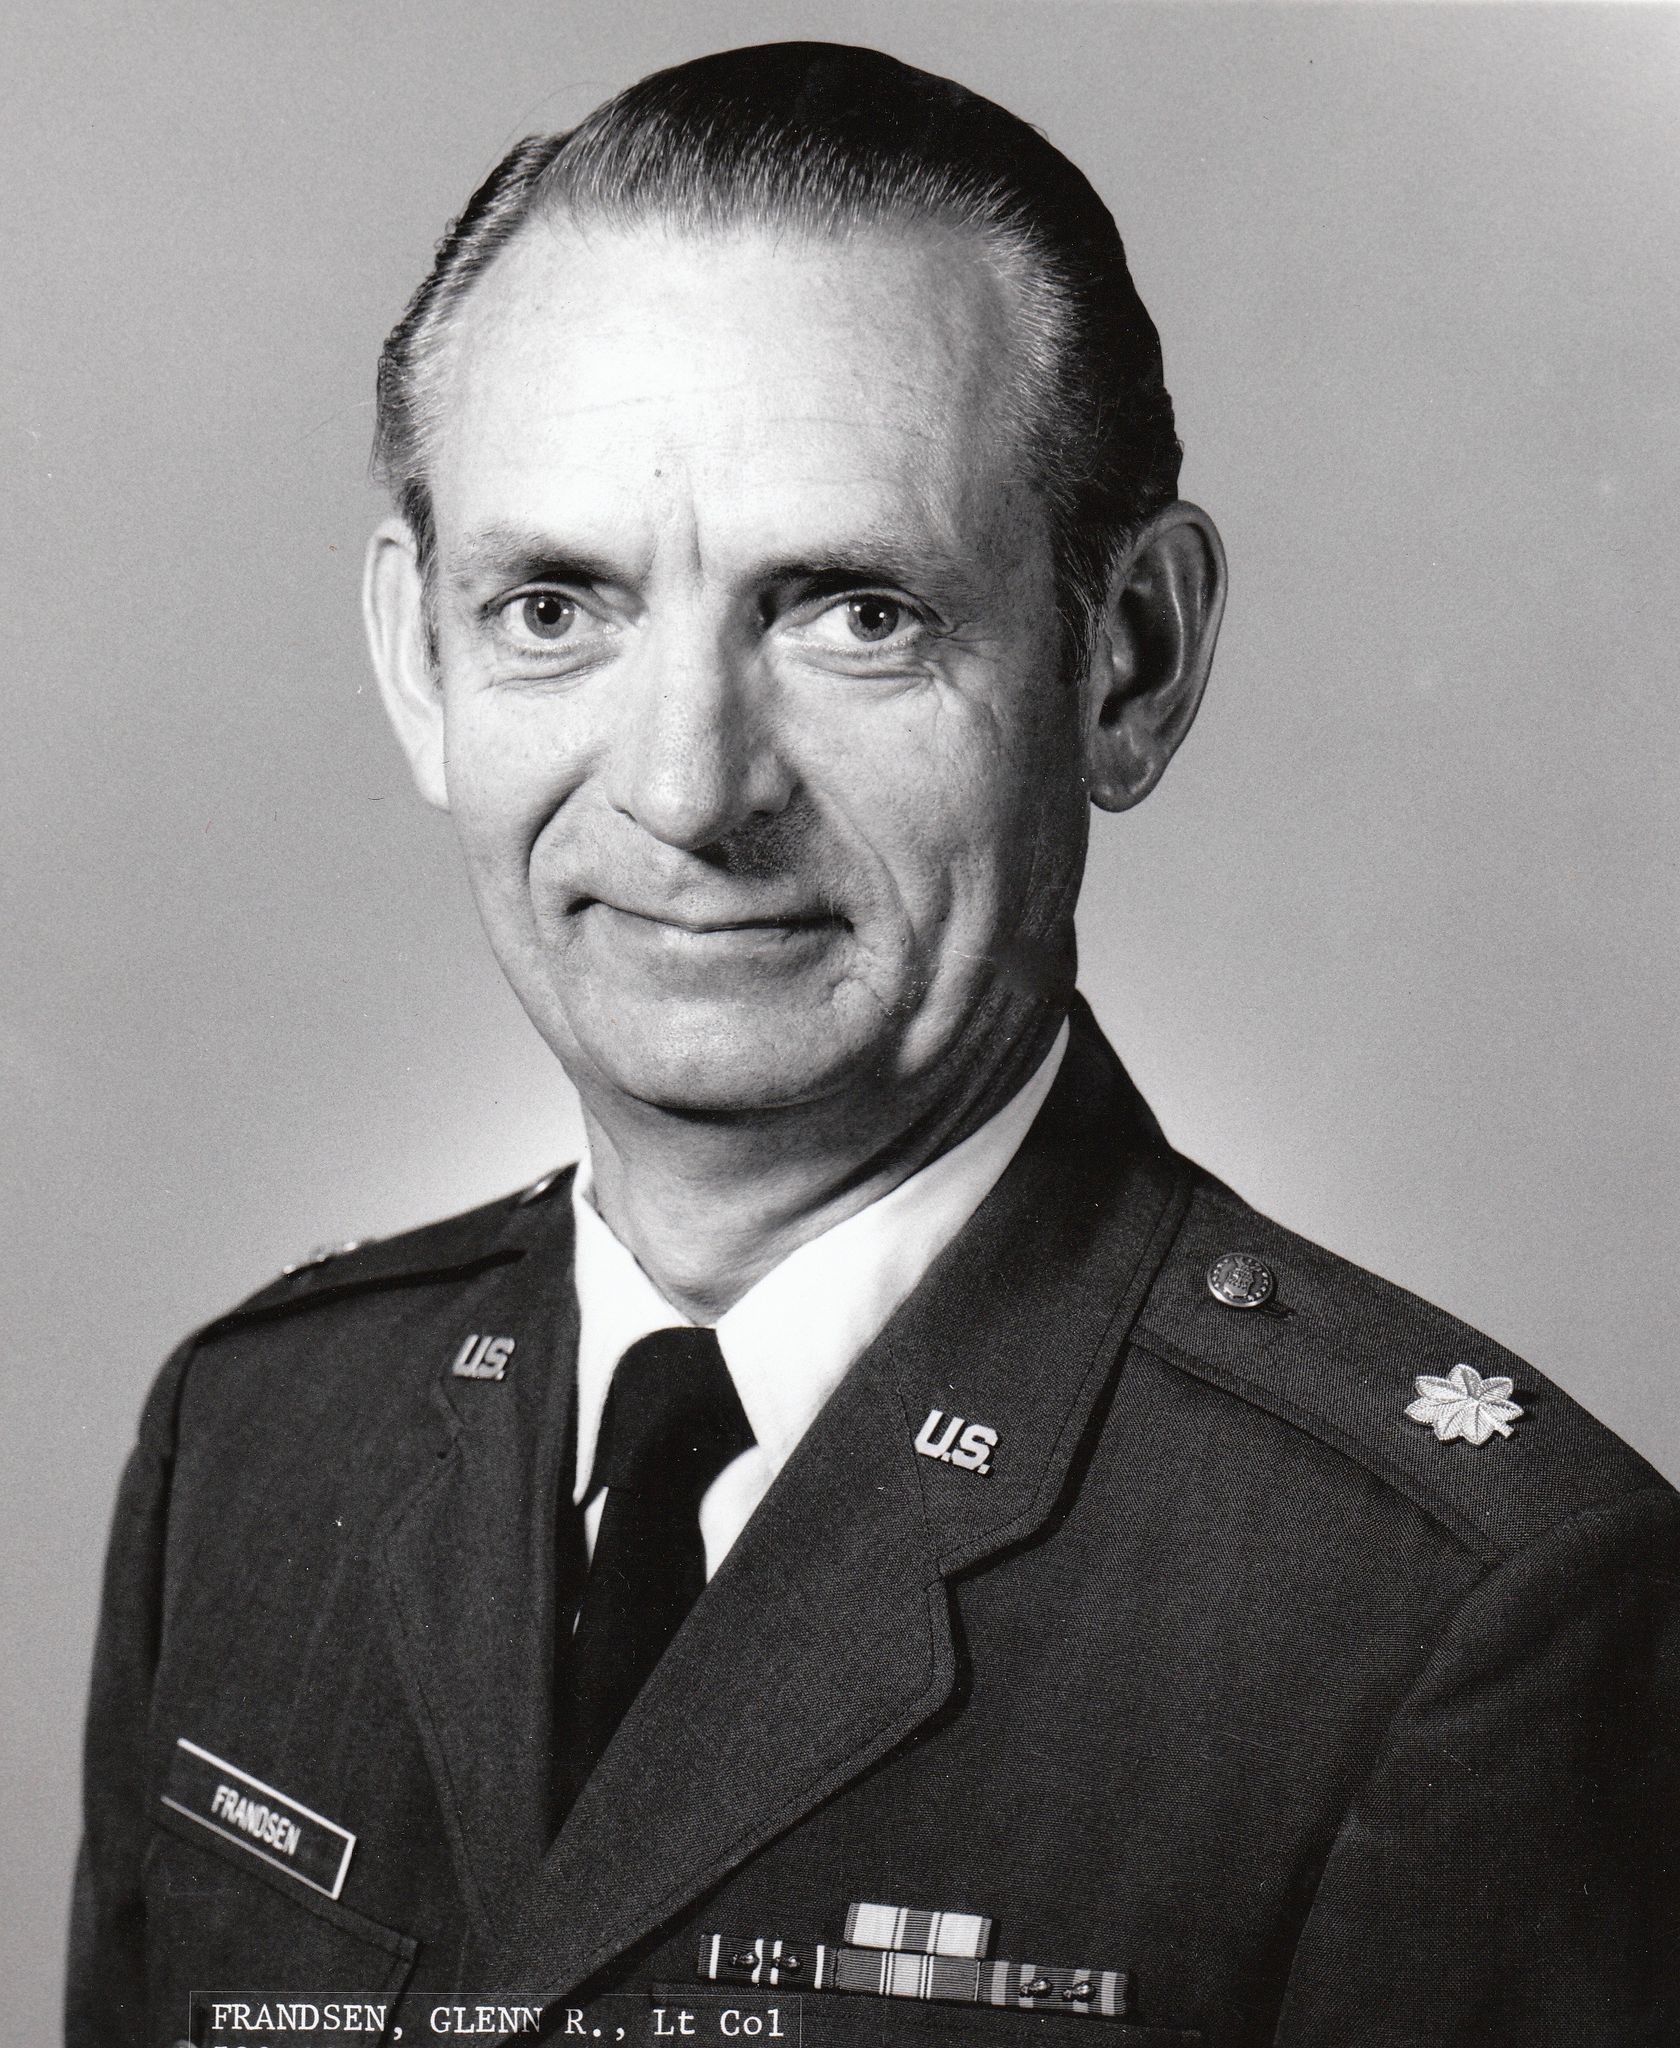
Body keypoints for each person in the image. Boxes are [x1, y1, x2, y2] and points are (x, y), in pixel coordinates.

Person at [68, 41, 1679, 2048]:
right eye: (555, 606)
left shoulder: (1448, 1618)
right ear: (420, 658)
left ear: (1131, 664)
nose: (685, 787)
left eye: (852, 614)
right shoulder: (253, 1444)